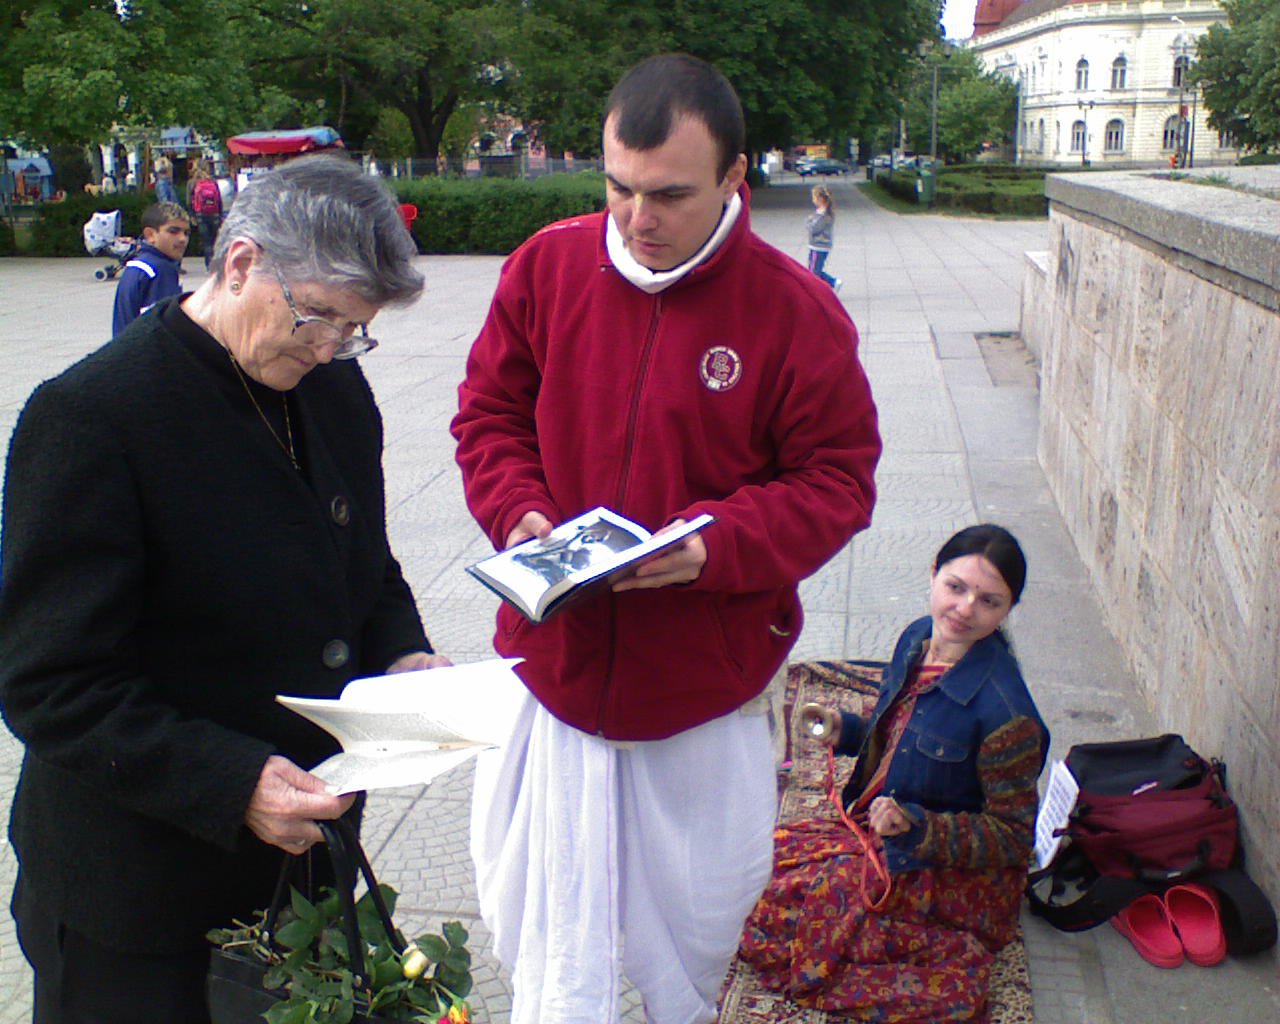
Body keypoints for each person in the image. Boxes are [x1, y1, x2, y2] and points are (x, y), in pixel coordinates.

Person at [451, 52, 881, 1024]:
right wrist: (518, 511)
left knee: (696, 941)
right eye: (616, 186)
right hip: (553, 677)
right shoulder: (546, 266)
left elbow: (835, 479)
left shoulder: (792, 311)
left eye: (667, 194)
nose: (635, 216)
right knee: (549, 951)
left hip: (697, 693)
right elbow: (488, 416)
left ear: (735, 177)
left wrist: (712, 546)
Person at [0, 152, 446, 1024]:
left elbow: (367, 566)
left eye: (354, 330)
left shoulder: (334, 389)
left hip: (296, 863)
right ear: (240, 262)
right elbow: (49, 681)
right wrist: (233, 781)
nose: (329, 348)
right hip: (138, 885)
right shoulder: (92, 419)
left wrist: (404, 653)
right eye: (316, 318)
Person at [738, 524, 1049, 1023]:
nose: (966, 608)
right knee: (757, 868)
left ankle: (954, 974)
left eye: (989, 601)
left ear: (1008, 609)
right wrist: (850, 729)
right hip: (883, 829)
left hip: (950, 869)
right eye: (956, 587)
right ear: (933, 574)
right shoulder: (916, 639)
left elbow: (1012, 838)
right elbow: (908, 735)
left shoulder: (1008, 717)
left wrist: (916, 826)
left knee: (801, 912)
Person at [110, 200, 190, 336]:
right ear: (150, 235)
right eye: (173, 231)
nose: (182, 238)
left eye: (186, 233)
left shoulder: (138, 264)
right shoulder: (160, 269)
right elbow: (161, 327)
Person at [188, 163, 225, 271]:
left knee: (206, 241)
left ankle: (209, 265)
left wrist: (192, 215)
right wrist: (220, 214)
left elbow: (189, 201)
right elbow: (219, 200)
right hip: (214, 214)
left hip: (200, 214)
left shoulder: (192, 183)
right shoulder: (213, 181)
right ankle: (216, 263)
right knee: (215, 240)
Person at [806, 183, 840, 292]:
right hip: (816, 245)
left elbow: (814, 228)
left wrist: (810, 222)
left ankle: (832, 283)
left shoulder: (824, 215)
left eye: (814, 197)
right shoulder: (820, 213)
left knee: (814, 271)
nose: (813, 200)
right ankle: (827, 285)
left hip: (819, 246)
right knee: (814, 269)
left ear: (820, 198)